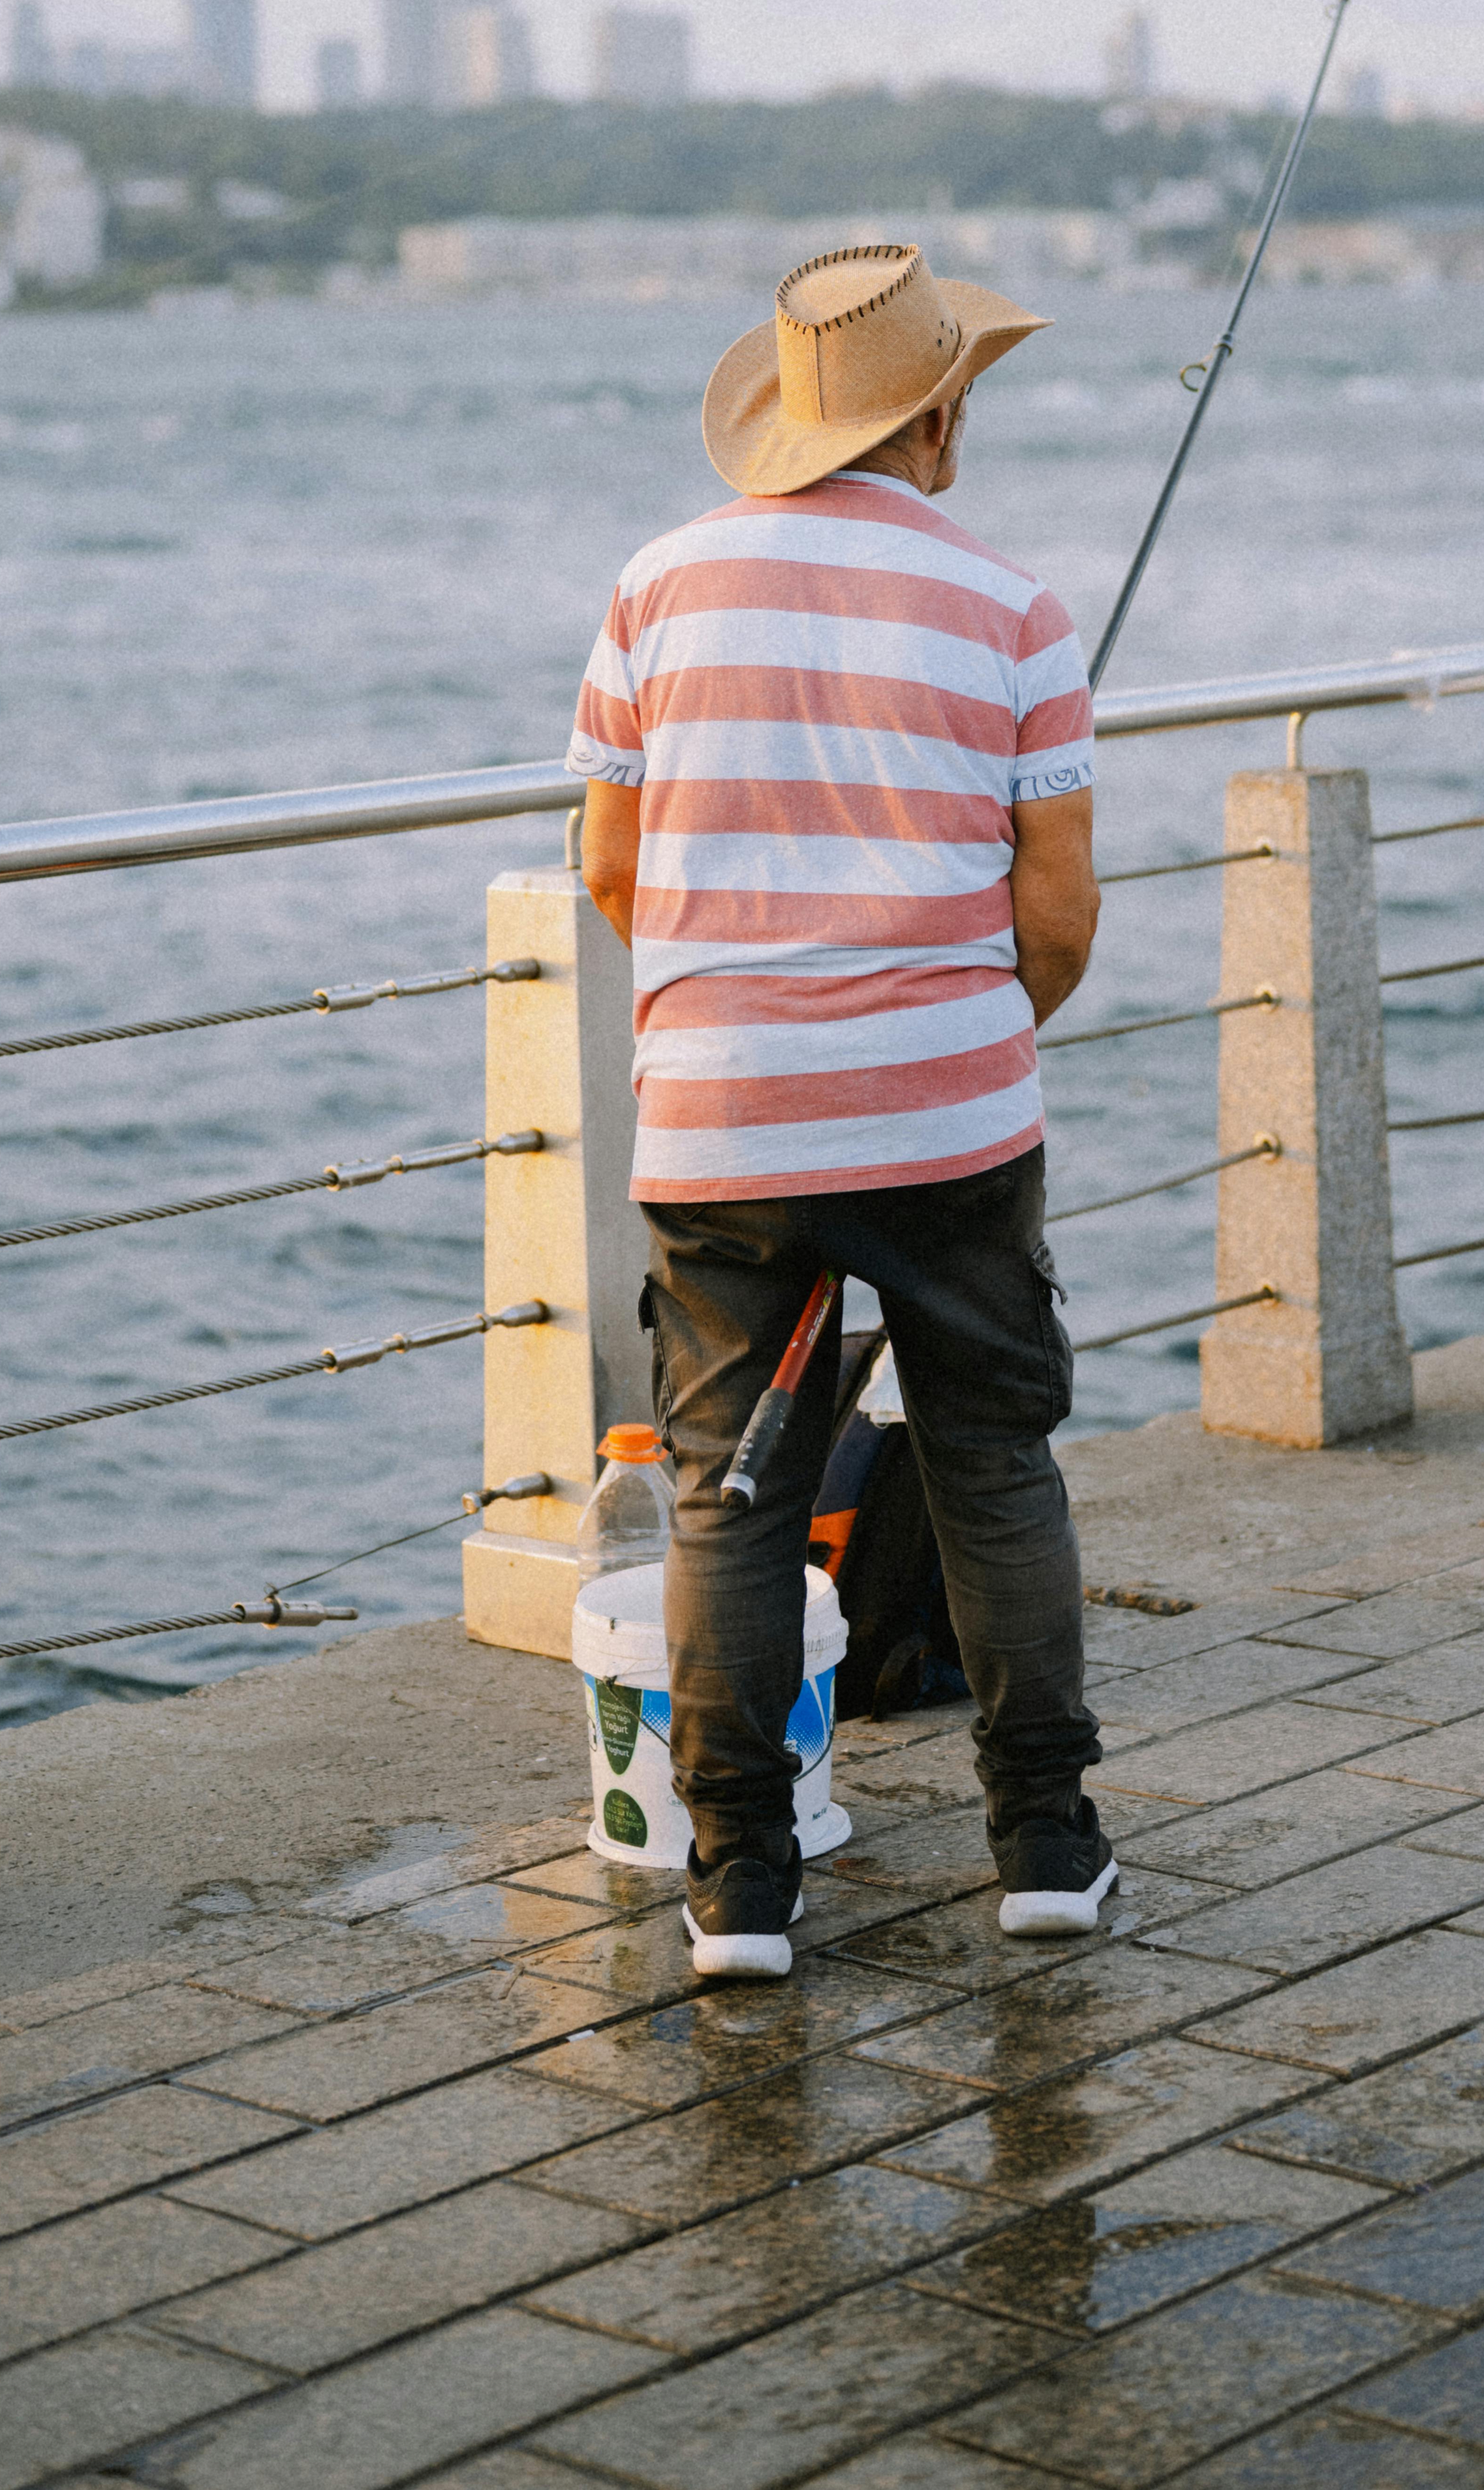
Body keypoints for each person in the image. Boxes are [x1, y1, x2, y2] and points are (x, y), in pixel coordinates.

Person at [566, 239, 1112, 1979]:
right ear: (936, 411)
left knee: (726, 1491)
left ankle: (738, 1886)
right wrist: (957, 1030)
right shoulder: (1013, 607)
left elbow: (610, 864)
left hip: (722, 1125)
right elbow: (1059, 913)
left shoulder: (653, 589)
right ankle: (1041, 1842)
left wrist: (739, 1009)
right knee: (992, 1459)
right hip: (951, 1116)